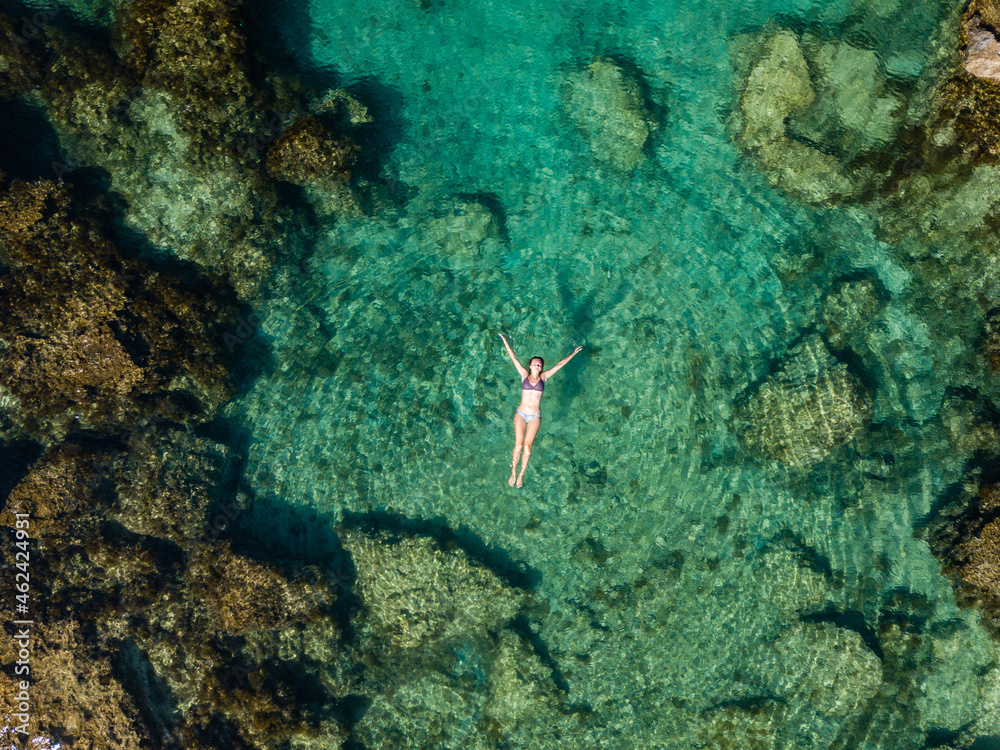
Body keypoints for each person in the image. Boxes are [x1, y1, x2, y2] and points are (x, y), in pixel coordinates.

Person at [498, 333, 584, 487]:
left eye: (539, 364)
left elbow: (559, 365)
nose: (537, 366)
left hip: (535, 417)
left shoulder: (544, 377)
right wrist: (505, 340)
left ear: (541, 367)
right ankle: (513, 472)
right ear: (530, 365)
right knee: (518, 445)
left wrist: (573, 354)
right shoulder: (524, 374)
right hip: (520, 414)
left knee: (528, 447)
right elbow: (514, 359)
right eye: (535, 364)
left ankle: (521, 474)